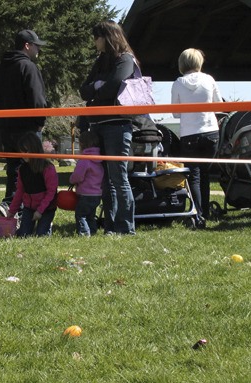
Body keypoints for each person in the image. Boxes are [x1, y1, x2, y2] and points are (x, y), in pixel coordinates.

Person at [79, 20, 137, 235]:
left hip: (118, 125)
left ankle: (126, 227)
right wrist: (97, 86)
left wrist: (98, 87)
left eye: (97, 37)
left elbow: (114, 87)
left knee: (118, 178)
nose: (94, 41)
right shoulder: (101, 60)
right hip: (97, 125)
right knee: (105, 180)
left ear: (107, 37)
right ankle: (110, 226)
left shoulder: (126, 60)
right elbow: (84, 91)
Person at [0, 29, 48, 217]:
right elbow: (37, 99)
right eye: (36, 45)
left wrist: (0, 123)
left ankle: (10, 204)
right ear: (27, 46)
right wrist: (40, 122)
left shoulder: (0, 69)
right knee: (33, 169)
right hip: (28, 128)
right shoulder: (28, 67)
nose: (38, 49)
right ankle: (25, 209)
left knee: (14, 169)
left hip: (6, 128)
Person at [171, 48, 222, 228]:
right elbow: (219, 105)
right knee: (206, 174)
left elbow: (175, 113)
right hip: (210, 131)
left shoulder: (178, 83)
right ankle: (206, 212)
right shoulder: (209, 79)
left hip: (189, 133)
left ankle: (197, 214)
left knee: (193, 176)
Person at [6, 133, 58, 237]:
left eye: (26, 151)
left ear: (35, 149)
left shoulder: (48, 168)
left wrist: (40, 211)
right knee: (23, 234)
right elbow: (20, 191)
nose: (23, 154)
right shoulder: (23, 169)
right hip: (29, 208)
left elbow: (51, 192)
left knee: (41, 235)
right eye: (21, 151)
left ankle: (47, 226)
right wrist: (12, 211)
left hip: (46, 208)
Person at [69, 129, 104, 236]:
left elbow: (78, 176)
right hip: (97, 194)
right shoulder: (100, 158)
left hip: (85, 194)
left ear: (82, 144)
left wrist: (71, 180)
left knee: (81, 215)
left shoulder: (85, 159)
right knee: (90, 215)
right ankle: (92, 231)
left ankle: (84, 233)